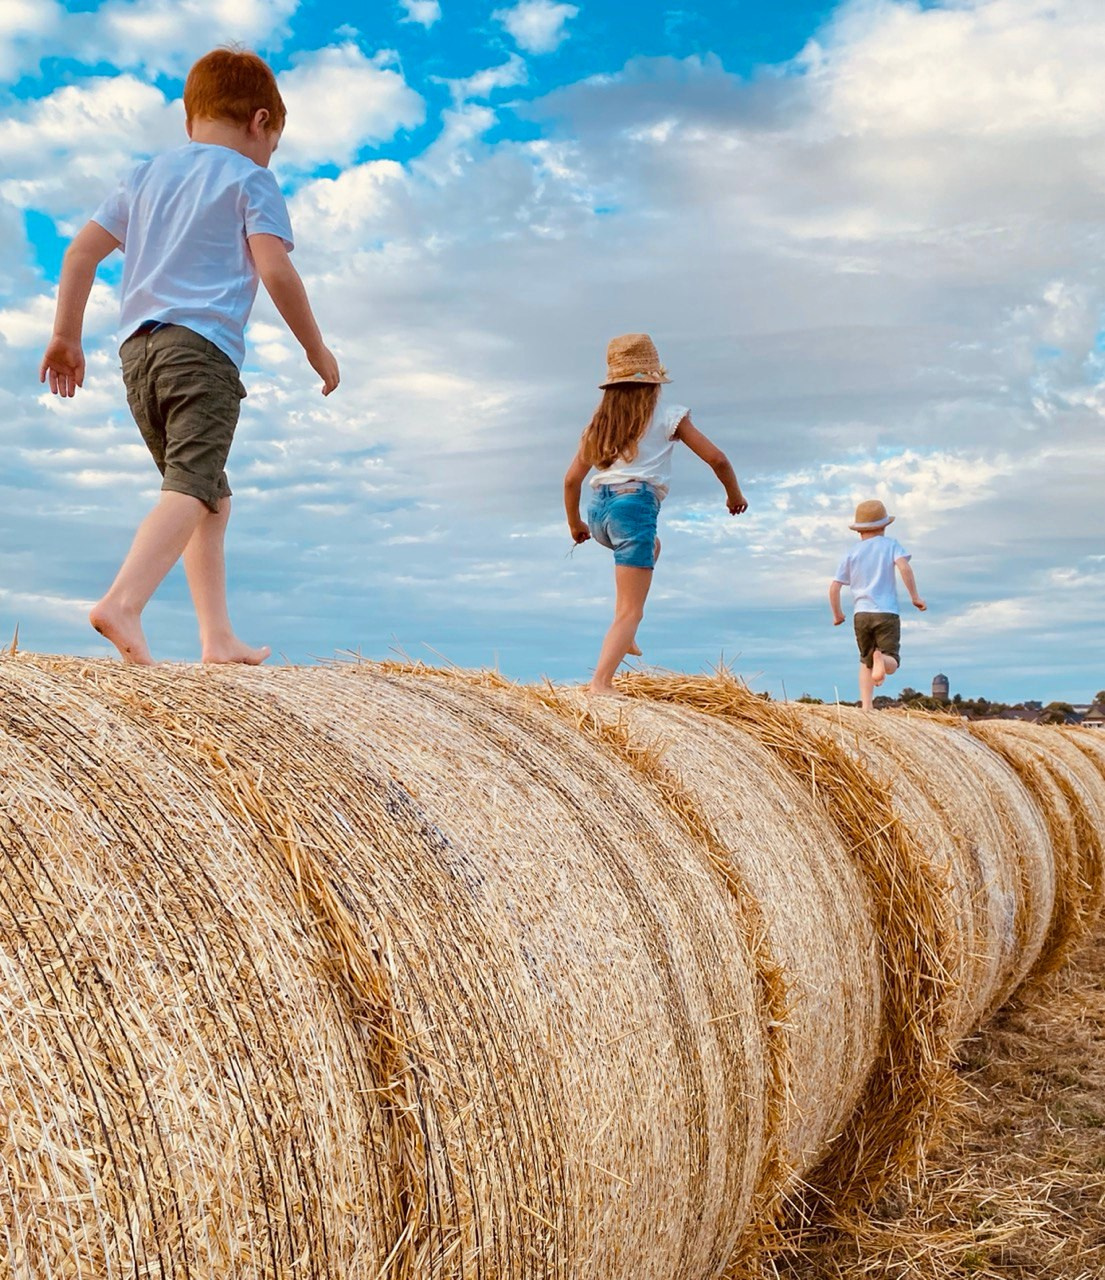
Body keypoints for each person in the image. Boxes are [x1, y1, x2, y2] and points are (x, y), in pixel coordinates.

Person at [39, 47, 339, 666]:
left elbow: (78, 255)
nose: (269, 156)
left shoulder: (142, 177)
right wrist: (316, 347)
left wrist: (66, 336)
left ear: (189, 120)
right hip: (202, 352)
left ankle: (217, 637)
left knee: (209, 496)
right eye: (273, 145)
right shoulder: (251, 180)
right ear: (261, 122)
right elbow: (276, 271)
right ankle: (123, 602)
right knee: (191, 487)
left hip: (137, 356)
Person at [563, 333, 747, 695]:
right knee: (630, 609)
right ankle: (601, 682)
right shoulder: (668, 416)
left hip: (598, 511)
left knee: (653, 548)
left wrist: (575, 524)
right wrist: (734, 495)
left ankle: (626, 632)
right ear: (654, 381)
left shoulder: (599, 424)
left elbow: (571, 480)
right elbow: (718, 459)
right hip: (633, 508)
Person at [829, 499, 927, 710]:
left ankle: (867, 707)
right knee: (892, 661)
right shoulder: (890, 545)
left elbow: (834, 587)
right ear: (884, 527)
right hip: (886, 612)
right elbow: (904, 568)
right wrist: (915, 597)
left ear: (858, 530)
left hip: (861, 614)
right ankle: (881, 658)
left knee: (865, 661)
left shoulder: (851, 553)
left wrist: (837, 614)